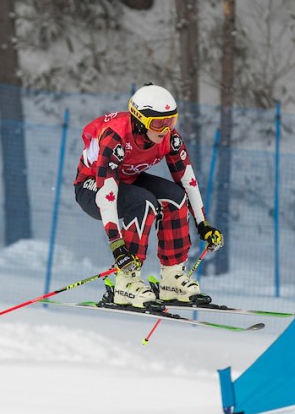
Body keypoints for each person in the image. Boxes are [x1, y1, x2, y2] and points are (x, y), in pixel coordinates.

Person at [73, 83, 224, 309]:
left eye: (170, 121)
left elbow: (187, 180)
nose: (164, 130)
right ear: (139, 120)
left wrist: (203, 224)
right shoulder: (115, 137)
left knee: (175, 197)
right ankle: (127, 282)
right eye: (158, 123)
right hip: (92, 186)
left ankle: (172, 279)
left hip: (128, 180)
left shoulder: (168, 139)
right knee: (143, 203)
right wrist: (116, 244)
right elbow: (107, 192)